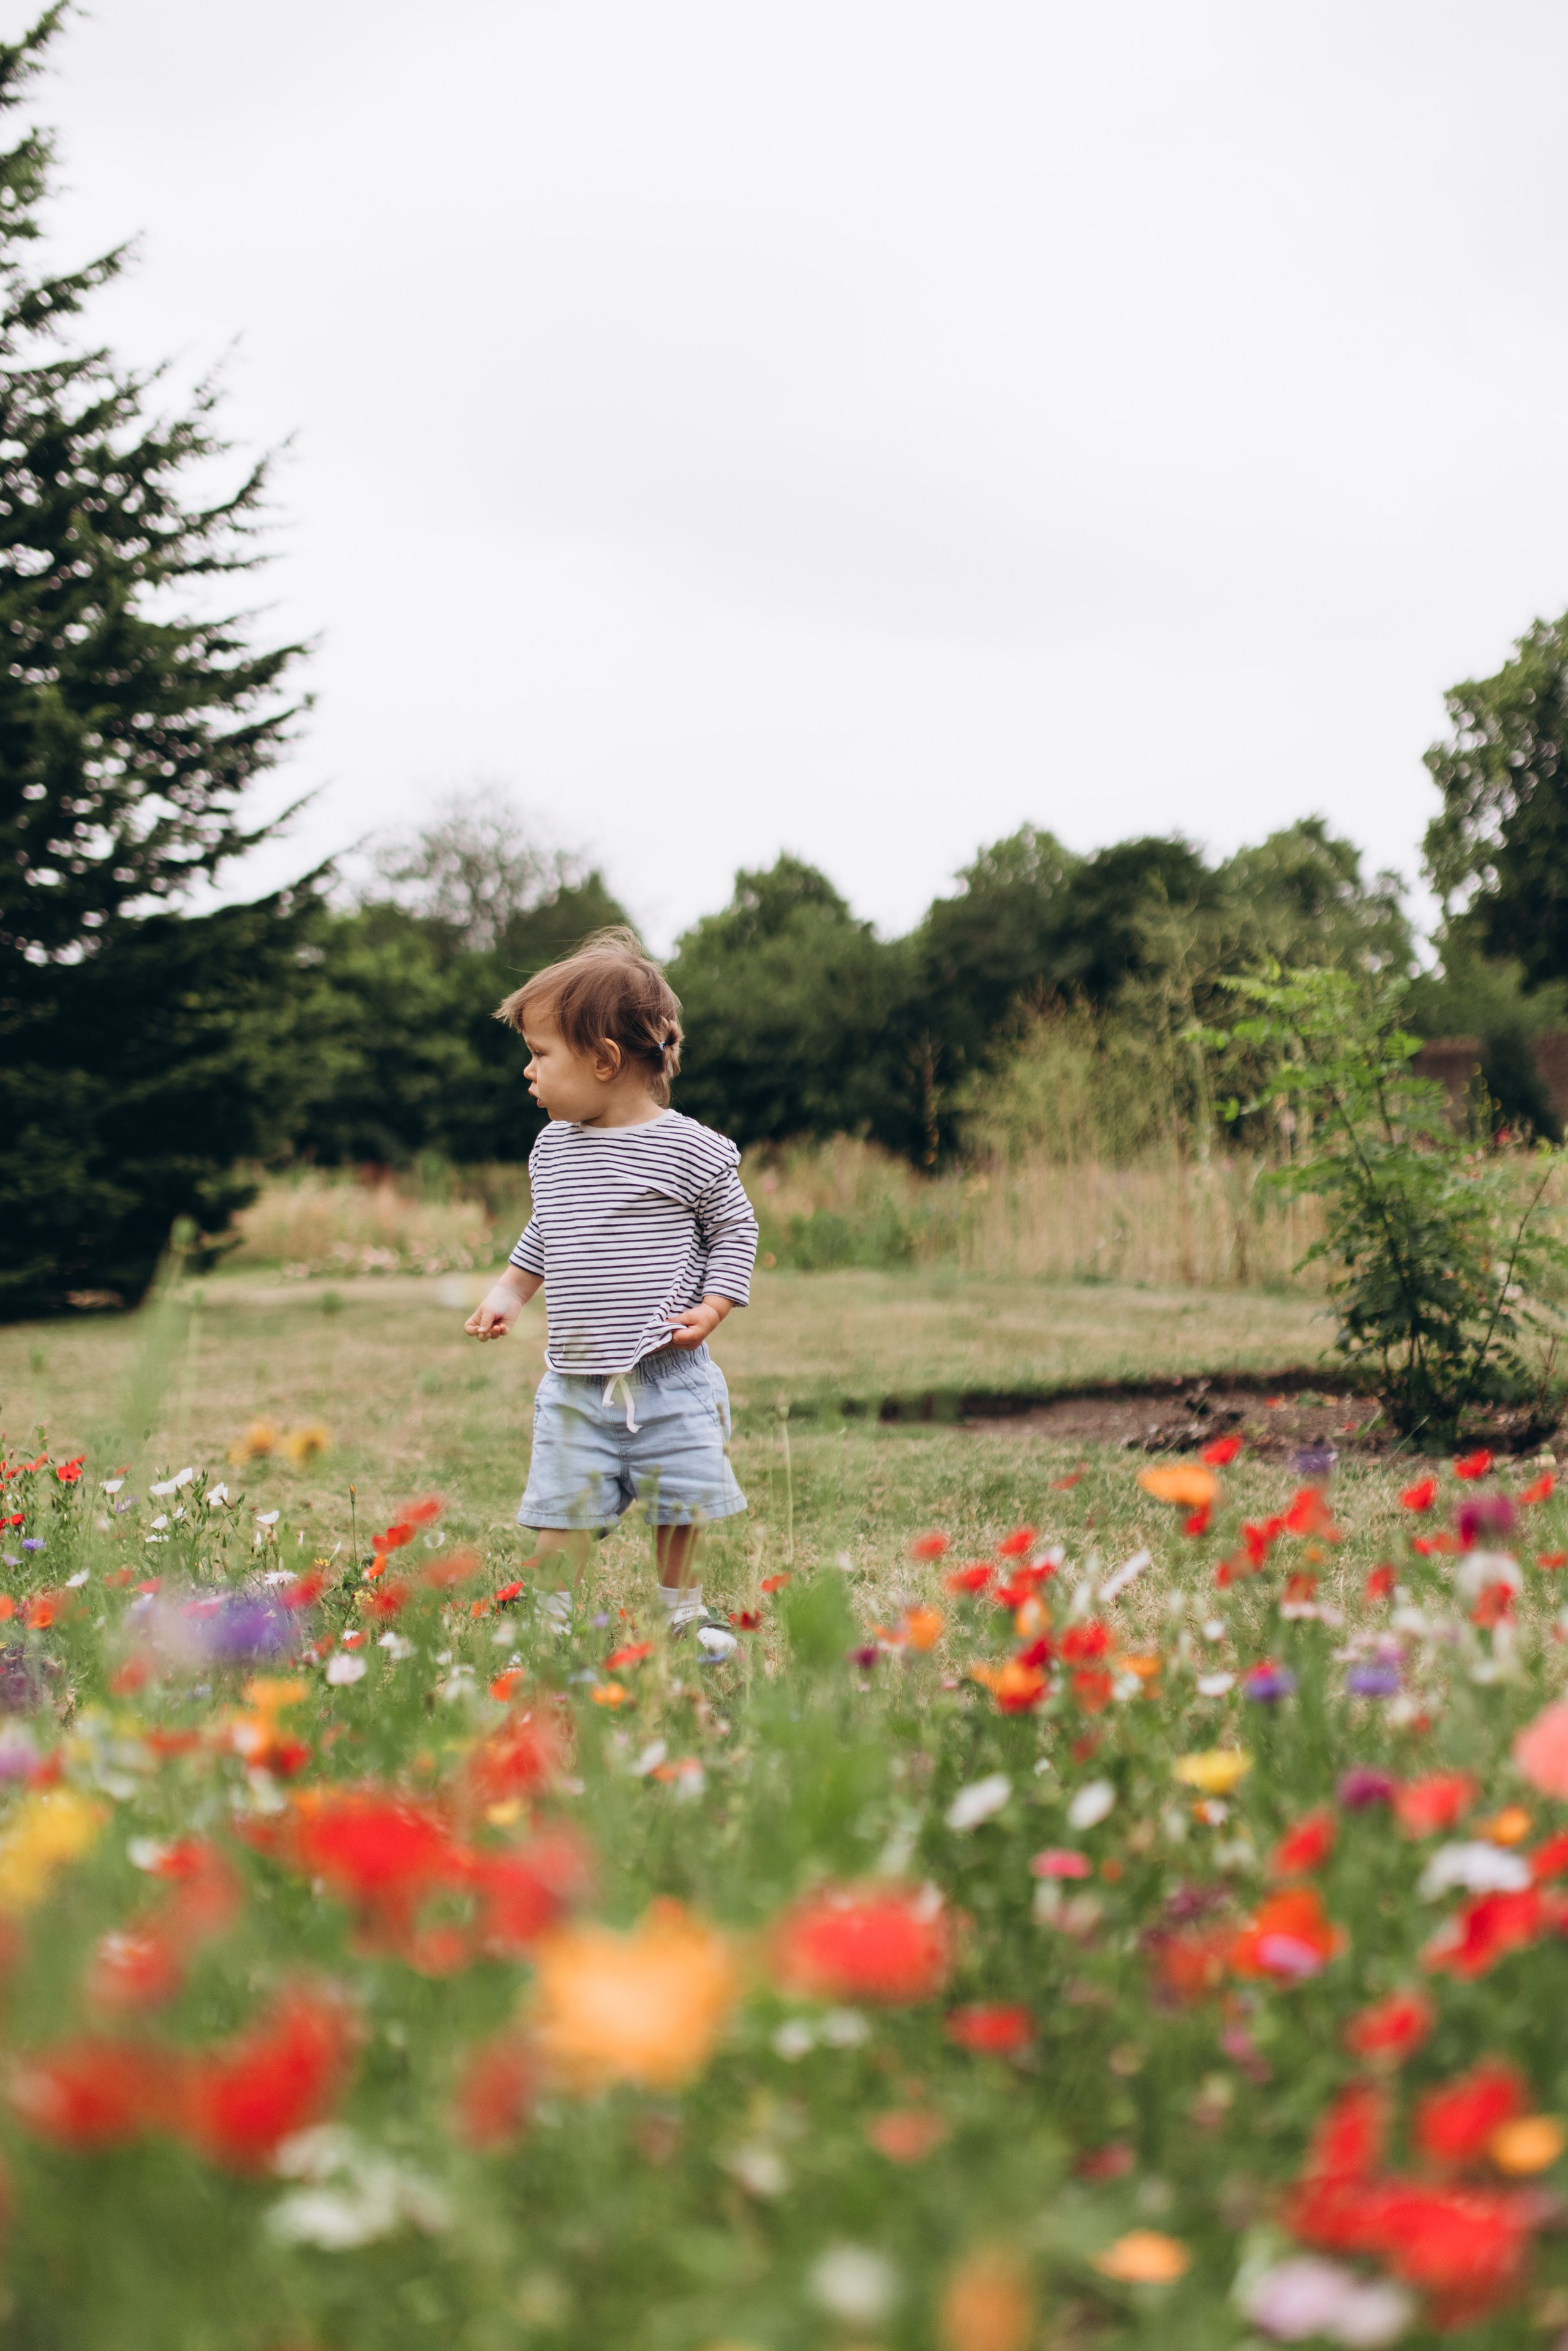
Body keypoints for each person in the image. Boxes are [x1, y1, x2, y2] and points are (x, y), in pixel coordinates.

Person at [464, 929, 757, 1631]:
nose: (528, 1073)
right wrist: (509, 1289)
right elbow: (548, 1231)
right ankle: (552, 1620)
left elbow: (734, 1231)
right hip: (574, 1381)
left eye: (540, 1055)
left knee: (679, 1505)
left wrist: (714, 1306)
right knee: (561, 1508)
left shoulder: (689, 1149)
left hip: (668, 1375)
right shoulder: (552, 1148)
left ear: (603, 1060)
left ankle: (682, 1614)